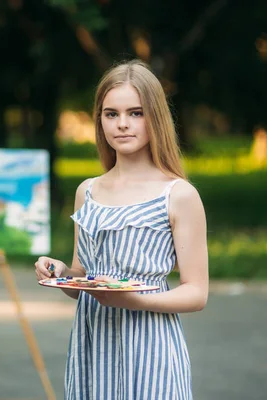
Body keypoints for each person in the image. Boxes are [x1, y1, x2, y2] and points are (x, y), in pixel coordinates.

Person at [34, 59, 208, 400]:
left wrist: (133, 301)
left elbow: (196, 293)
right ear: (99, 120)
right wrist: (61, 273)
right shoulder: (88, 191)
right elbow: (84, 278)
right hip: (92, 346)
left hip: (151, 347)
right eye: (111, 114)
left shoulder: (178, 194)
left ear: (155, 117)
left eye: (136, 113)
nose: (122, 124)